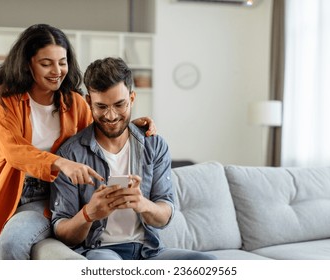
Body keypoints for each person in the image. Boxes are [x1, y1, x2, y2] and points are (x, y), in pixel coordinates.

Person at [0, 24, 156, 260]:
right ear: (28, 64)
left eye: (62, 62)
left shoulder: (74, 102)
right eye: (46, 64)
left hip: (49, 197)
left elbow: (96, 131)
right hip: (4, 192)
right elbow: (14, 151)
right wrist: (62, 163)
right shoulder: (6, 99)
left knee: (10, 245)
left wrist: (125, 123)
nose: (57, 70)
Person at [50, 57, 216, 260]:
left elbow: (165, 213)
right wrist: (89, 214)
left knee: (208, 264)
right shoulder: (70, 154)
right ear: (88, 102)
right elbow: (63, 232)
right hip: (100, 251)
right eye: (101, 107)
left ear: (132, 98)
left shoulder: (154, 145)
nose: (111, 116)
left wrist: (142, 204)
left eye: (120, 105)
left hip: (150, 251)